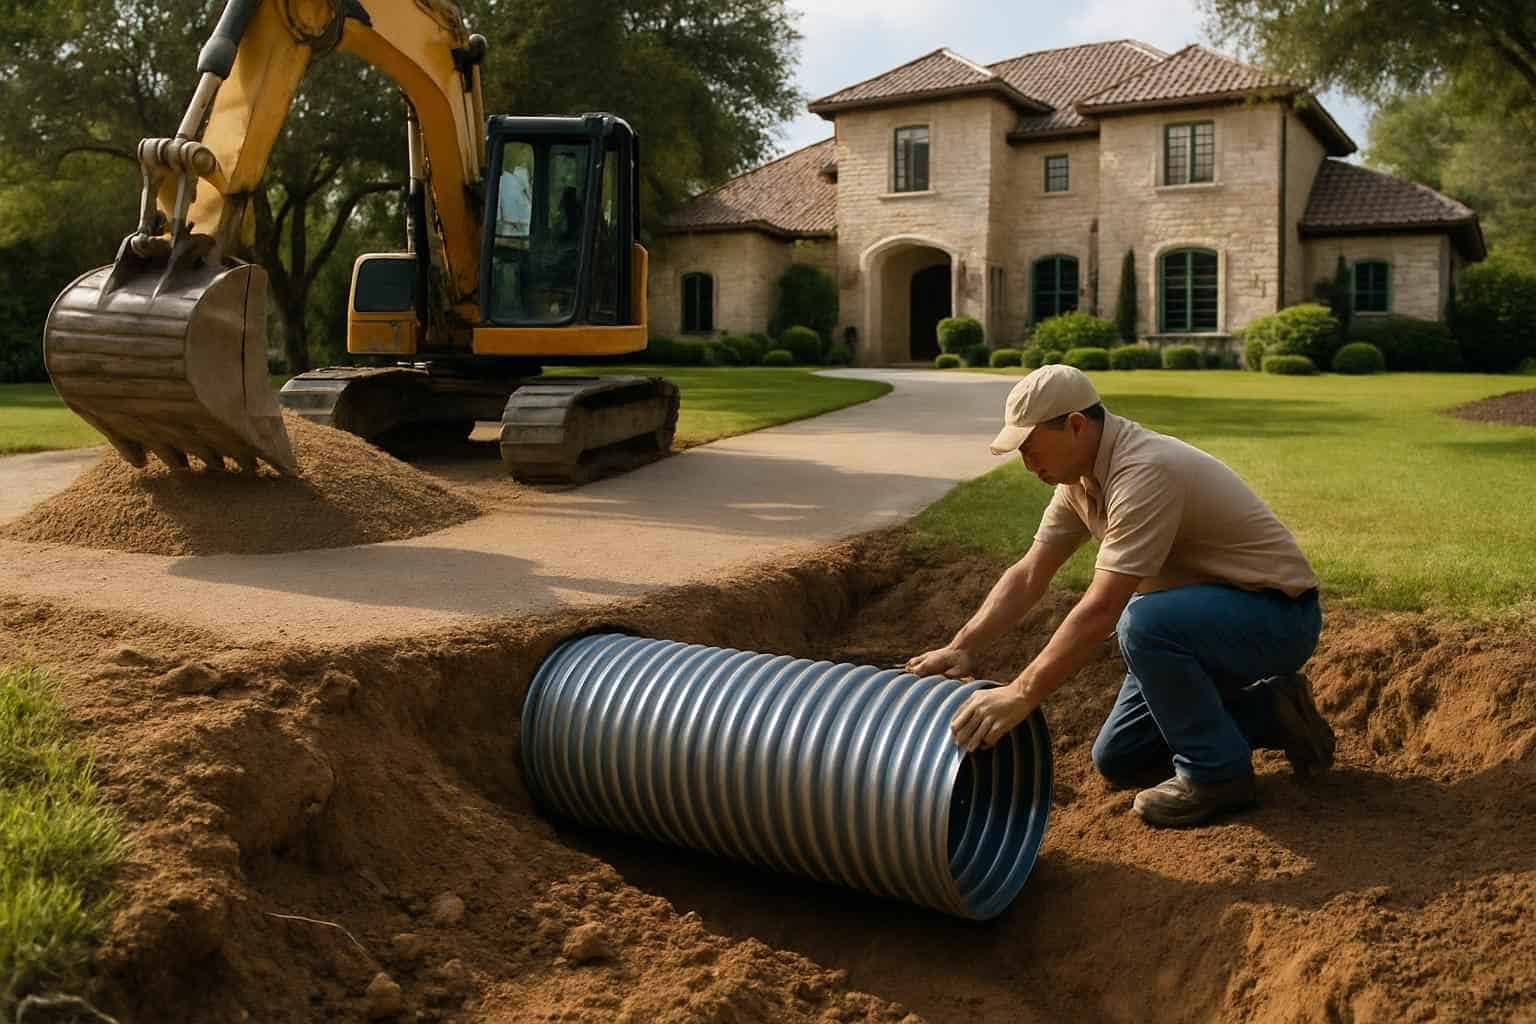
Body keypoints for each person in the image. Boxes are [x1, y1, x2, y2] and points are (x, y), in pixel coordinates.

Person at [906, 365, 1335, 827]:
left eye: (1030, 448)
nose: (1027, 464)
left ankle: (1218, 775)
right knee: (1120, 756)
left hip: (1276, 618)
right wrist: (963, 645)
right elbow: (1031, 573)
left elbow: (1102, 609)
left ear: (1075, 425)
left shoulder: (1144, 470)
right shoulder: (1078, 479)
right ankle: (1273, 711)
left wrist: (1022, 693)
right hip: (1197, 623)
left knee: (1141, 622)